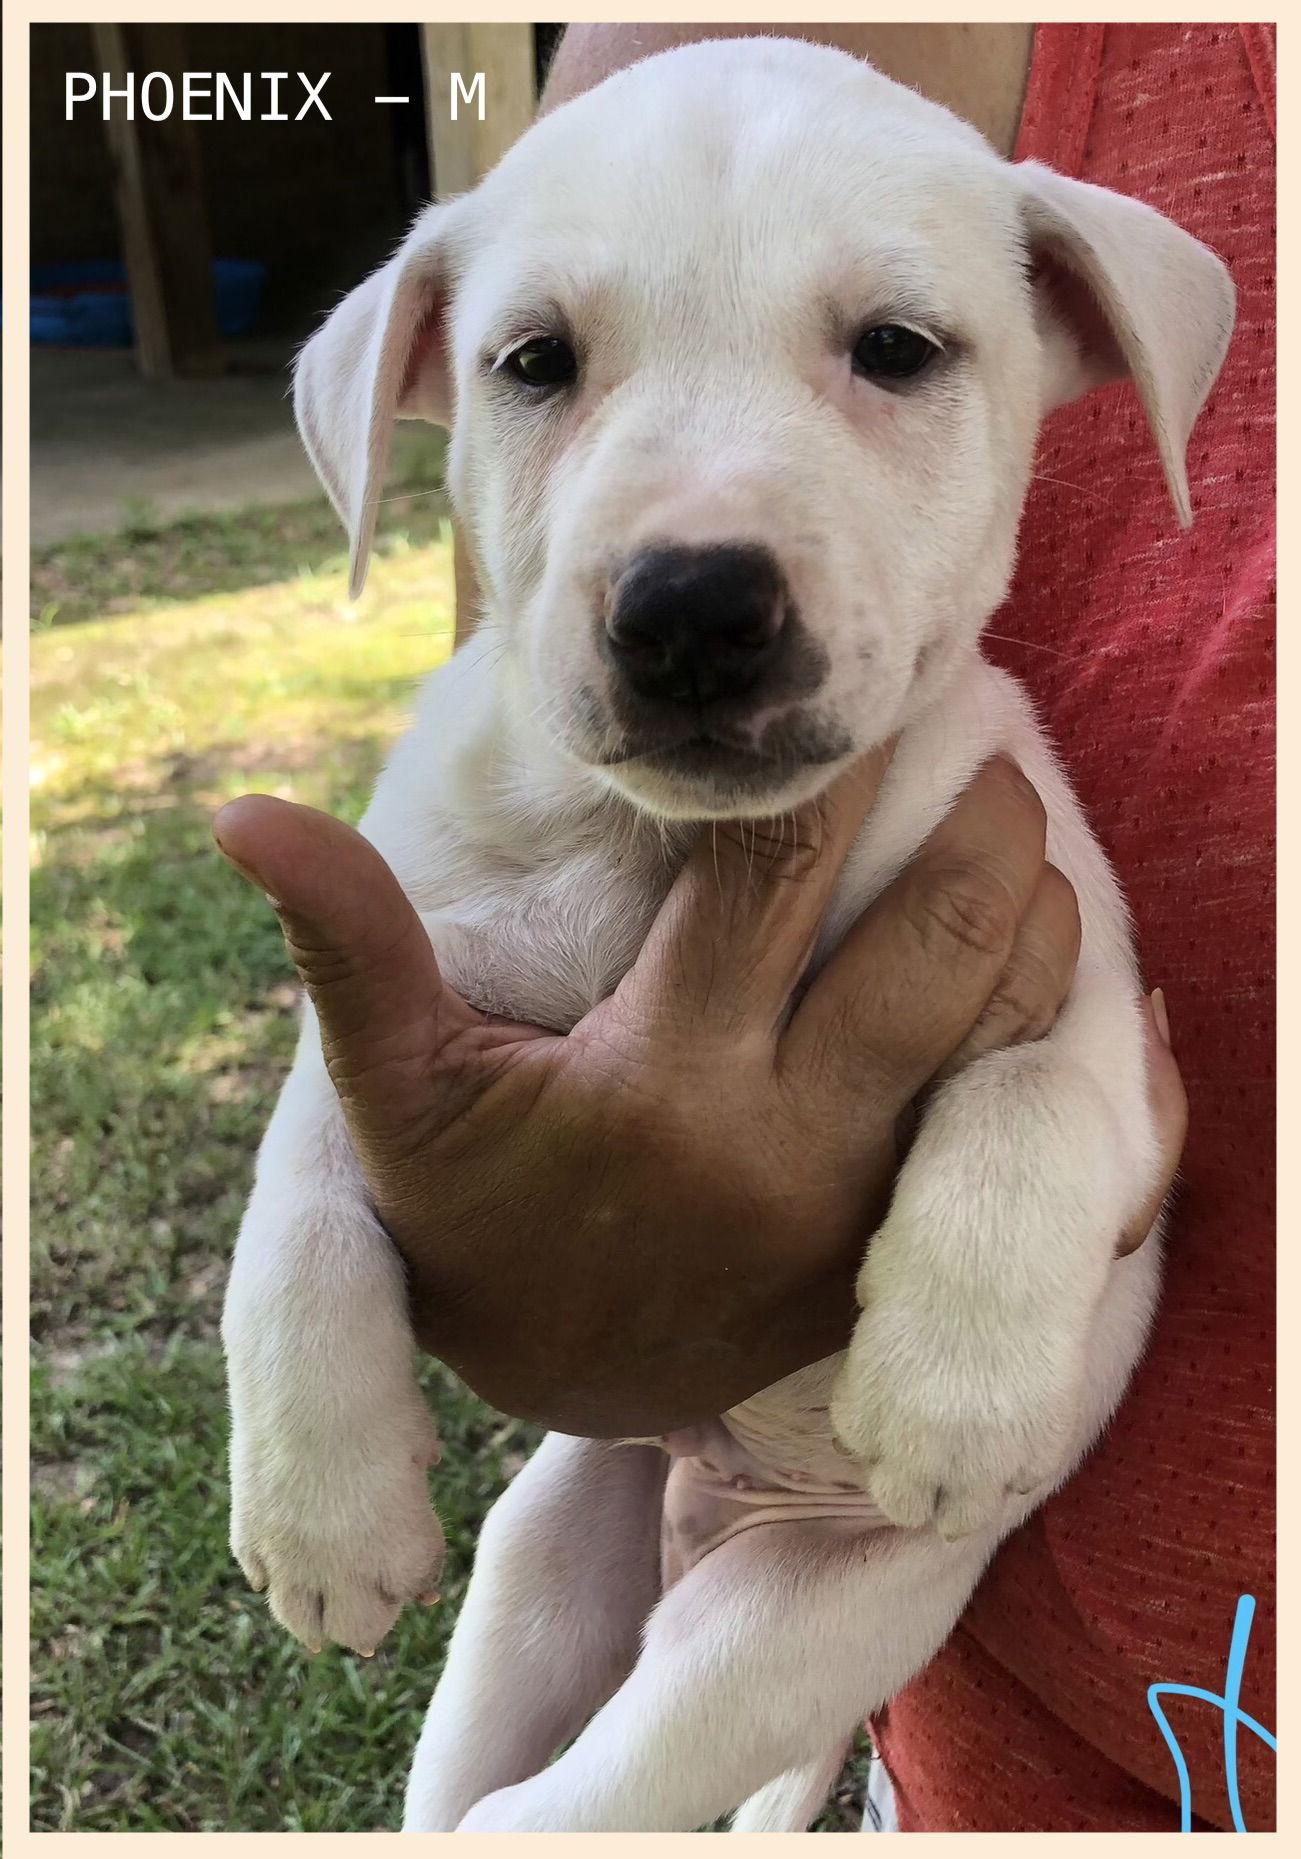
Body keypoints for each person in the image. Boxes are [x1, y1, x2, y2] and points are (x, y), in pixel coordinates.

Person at [214, 19, 1274, 1833]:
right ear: (426, 388)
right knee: (559, 1534)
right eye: (543, 364)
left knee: (648, 1739)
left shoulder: (972, 796)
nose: (695, 567)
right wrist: (299, 1336)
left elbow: (1078, 1069)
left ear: (1079, 337)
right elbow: (360, 1078)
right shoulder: (464, 788)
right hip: (640, 1462)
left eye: (890, 352)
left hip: (882, 1548)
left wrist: (1015, 1182)